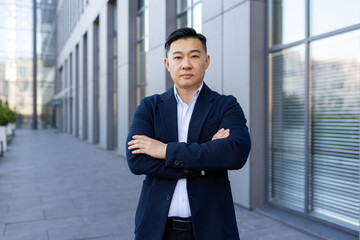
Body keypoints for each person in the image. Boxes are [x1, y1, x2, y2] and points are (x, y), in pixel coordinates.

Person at [127, 27, 251, 240]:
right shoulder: (149, 107)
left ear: (206, 61)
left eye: (194, 56)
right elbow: (137, 161)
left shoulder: (226, 105)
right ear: (168, 64)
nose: (186, 64)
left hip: (212, 227)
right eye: (178, 57)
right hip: (157, 228)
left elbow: (235, 153)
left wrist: (165, 151)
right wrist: (206, 161)